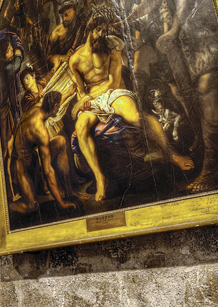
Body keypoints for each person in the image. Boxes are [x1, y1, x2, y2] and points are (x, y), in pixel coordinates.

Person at [69, 17, 194, 201]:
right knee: (81, 126)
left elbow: (113, 81)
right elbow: (81, 91)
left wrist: (87, 98)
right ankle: (100, 178)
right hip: (92, 99)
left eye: (105, 30)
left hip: (114, 93)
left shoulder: (112, 48)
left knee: (136, 116)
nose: (102, 35)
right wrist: (84, 101)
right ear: (90, 30)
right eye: (98, 30)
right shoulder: (75, 60)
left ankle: (171, 153)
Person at [8, 90, 78, 214]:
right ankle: (5, 208)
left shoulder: (39, 105)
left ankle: (69, 192)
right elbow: (48, 171)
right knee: (32, 205)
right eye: (58, 106)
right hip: (20, 166)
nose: (59, 107)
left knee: (60, 141)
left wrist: (68, 93)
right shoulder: (40, 130)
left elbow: (53, 102)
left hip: (32, 158)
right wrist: (60, 203)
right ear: (54, 106)